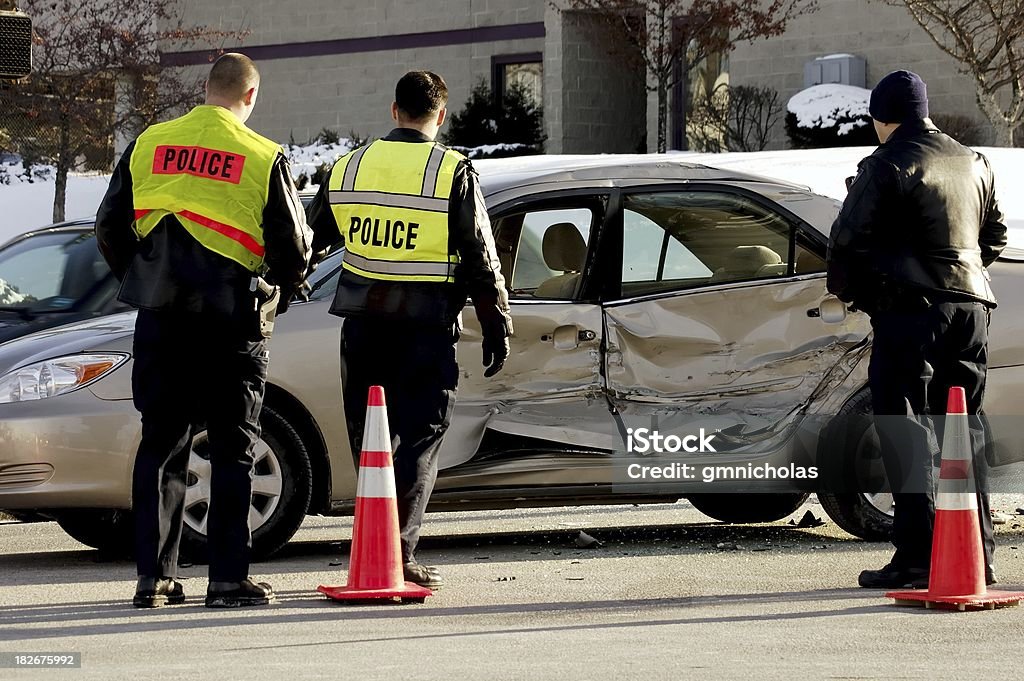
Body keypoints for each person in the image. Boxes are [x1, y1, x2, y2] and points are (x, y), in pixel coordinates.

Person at [96, 53, 311, 608]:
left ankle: (154, 578)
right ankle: (226, 580)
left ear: (205, 89)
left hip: (161, 318)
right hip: (231, 321)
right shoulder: (262, 155)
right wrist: (281, 292)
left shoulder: (151, 143)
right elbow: (294, 247)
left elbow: (109, 226)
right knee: (234, 447)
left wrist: (141, 277)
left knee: (162, 445)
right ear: (251, 96)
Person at [306, 71, 512, 589]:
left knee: (371, 437)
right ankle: (397, 550)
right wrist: (495, 323)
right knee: (421, 436)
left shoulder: (348, 167)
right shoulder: (451, 171)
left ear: (394, 110)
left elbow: (307, 239)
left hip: (362, 325)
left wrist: (277, 292)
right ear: (440, 117)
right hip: (424, 327)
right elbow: (480, 257)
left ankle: (373, 540)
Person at [826, 70, 1007, 589]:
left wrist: (866, 298)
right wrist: (962, 280)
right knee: (963, 429)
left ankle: (916, 558)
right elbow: (991, 235)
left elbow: (847, 243)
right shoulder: (975, 162)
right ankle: (978, 556)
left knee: (907, 432)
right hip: (972, 309)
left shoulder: (885, 164)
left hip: (910, 311)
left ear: (884, 118)